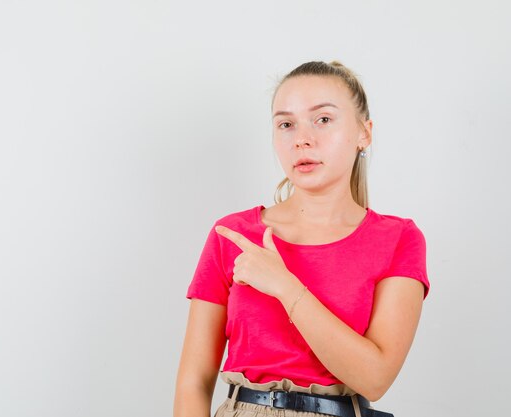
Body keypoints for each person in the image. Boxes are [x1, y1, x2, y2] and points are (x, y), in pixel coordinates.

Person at [173, 61, 430, 417]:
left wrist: (285, 286)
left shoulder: (399, 239)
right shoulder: (232, 235)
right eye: (286, 124)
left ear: (363, 133)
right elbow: (194, 381)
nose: (302, 139)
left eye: (323, 119)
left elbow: (375, 378)